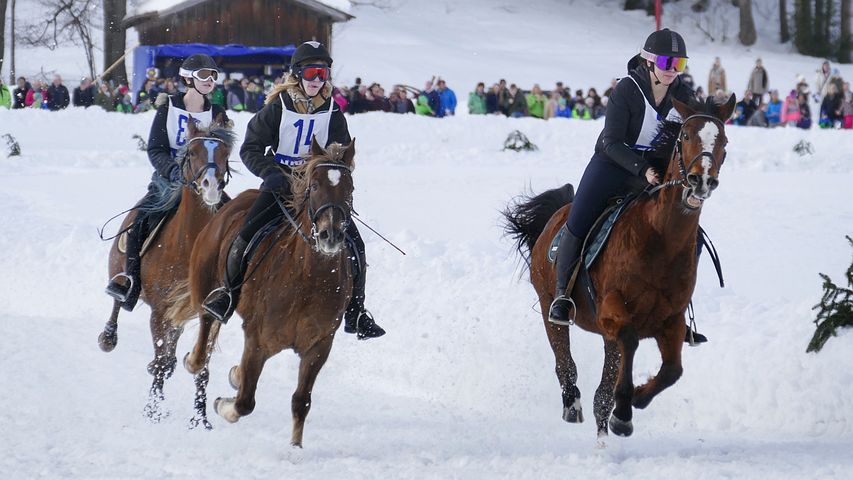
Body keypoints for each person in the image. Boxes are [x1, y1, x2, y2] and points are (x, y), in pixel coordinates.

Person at [200, 41, 385, 339]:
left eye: (323, 74)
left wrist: (335, 176)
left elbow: (342, 155)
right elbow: (251, 148)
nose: (317, 81)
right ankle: (228, 295)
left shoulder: (333, 113)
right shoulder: (277, 107)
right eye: (311, 73)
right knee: (246, 234)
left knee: (356, 245)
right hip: (281, 183)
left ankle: (356, 313)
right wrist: (270, 172)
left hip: (319, 190)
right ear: (298, 74)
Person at [548, 29, 704, 343]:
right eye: (667, 61)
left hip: (657, 171)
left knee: (690, 233)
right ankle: (563, 296)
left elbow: (697, 130)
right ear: (649, 61)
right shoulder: (627, 90)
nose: (673, 69)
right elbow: (610, 142)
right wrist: (641, 168)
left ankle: (677, 311)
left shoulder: (683, 95)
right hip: (612, 163)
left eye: (680, 63)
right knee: (578, 220)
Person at [105, 54, 229, 311]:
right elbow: (155, 149)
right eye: (204, 75)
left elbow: (223, 150)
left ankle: (226, 289)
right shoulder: (168, 108)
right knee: (141, 219)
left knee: (234, 222)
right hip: (168, 180)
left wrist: (217, 172)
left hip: (206, 183)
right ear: (188, 79)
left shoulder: (217, 112)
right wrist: (173, 172)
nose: (210, 80)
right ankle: (130, 280)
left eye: (213, 75)